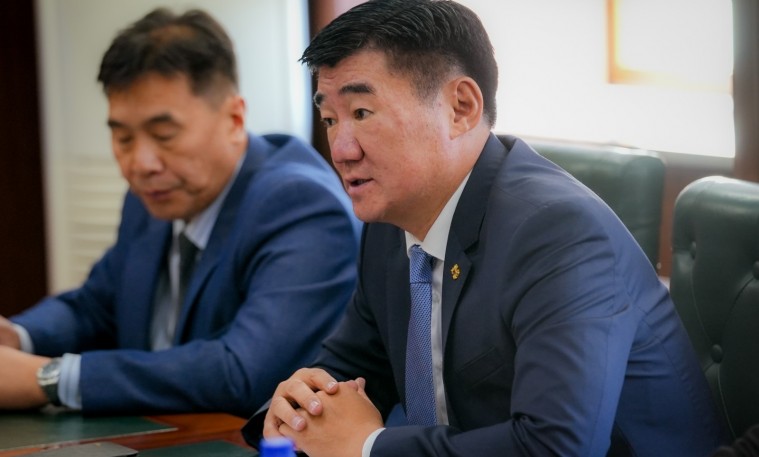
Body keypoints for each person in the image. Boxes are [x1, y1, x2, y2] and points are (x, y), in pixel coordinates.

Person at [250, 0, 726, 455]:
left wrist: (368, 447)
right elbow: (347, 372)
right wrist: (296, 408)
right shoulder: (389, 225)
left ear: (461, 107)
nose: (341, 149)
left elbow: (557, 446)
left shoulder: (558, 232)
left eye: (361, 113)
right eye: (329, 119)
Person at [0, 8, 360, 417]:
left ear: (234, 119)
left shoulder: (301, 205)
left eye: (164, 135)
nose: (141, 163)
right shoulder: (150, 197)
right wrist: (17, 336)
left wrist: (49, 378)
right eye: (123, 138)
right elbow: (94, 306)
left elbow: (242, 372)